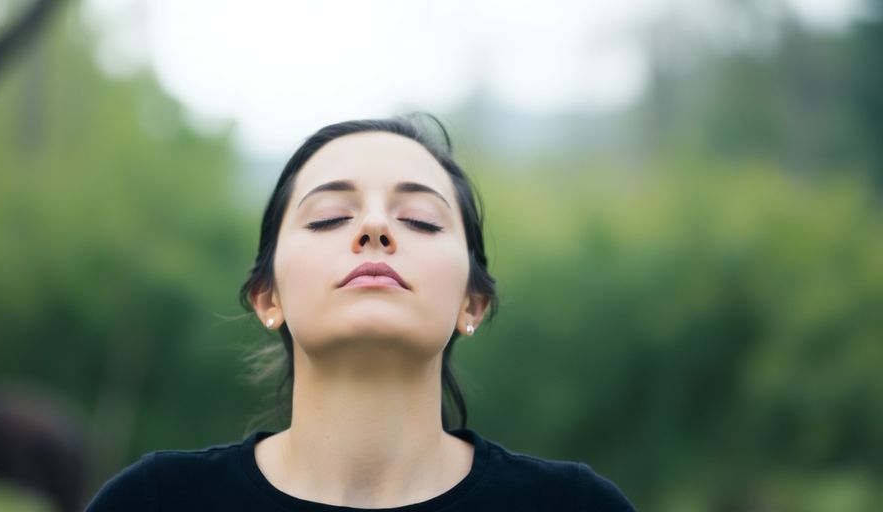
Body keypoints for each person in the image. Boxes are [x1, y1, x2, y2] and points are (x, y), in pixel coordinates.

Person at [85, 114, 637, 511]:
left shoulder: (576, 505)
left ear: (473, 301)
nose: (375, 229)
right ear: (267, 297)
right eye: (328, 217)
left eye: (420, 219)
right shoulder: (154, 501)